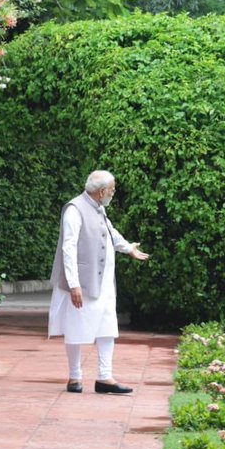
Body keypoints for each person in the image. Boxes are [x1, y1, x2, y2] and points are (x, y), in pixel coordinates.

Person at [48, 169, 150, 394]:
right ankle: (74, 377)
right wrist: (73, 284)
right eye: (112, 190)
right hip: (80, 283)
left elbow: (110, 233)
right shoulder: (74, 210)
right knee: (75, 327)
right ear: (102, 191)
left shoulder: (99, 209)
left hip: (102, 282)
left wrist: (129, 249)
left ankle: (105, 377)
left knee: (107, 327)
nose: (113, 194)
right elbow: (68, 247)